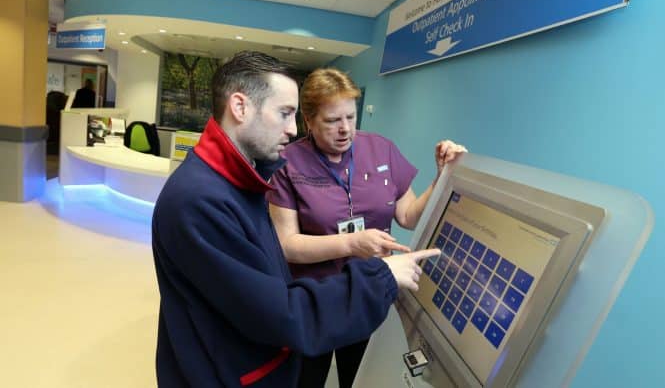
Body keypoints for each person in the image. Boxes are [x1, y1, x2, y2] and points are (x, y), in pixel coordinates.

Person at [151, 51, 440, 387]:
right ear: (240, 107)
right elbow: (279, 314)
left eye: (351, 116)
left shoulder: (235, 181)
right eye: (285, 114)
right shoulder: (199, 201)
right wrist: (381, 275)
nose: (291, 131)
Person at [267, 68, 467, 388]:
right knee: (305, 380)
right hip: (314, 299)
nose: (345, 129)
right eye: (332, 120)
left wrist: (440, 177)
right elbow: (287, 244)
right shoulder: (287, 163)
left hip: (368, 293)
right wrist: (351, 243)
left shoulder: (381, 149)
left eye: (351, 116)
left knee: (359, 378)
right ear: (309, 120)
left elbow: (409, 216)